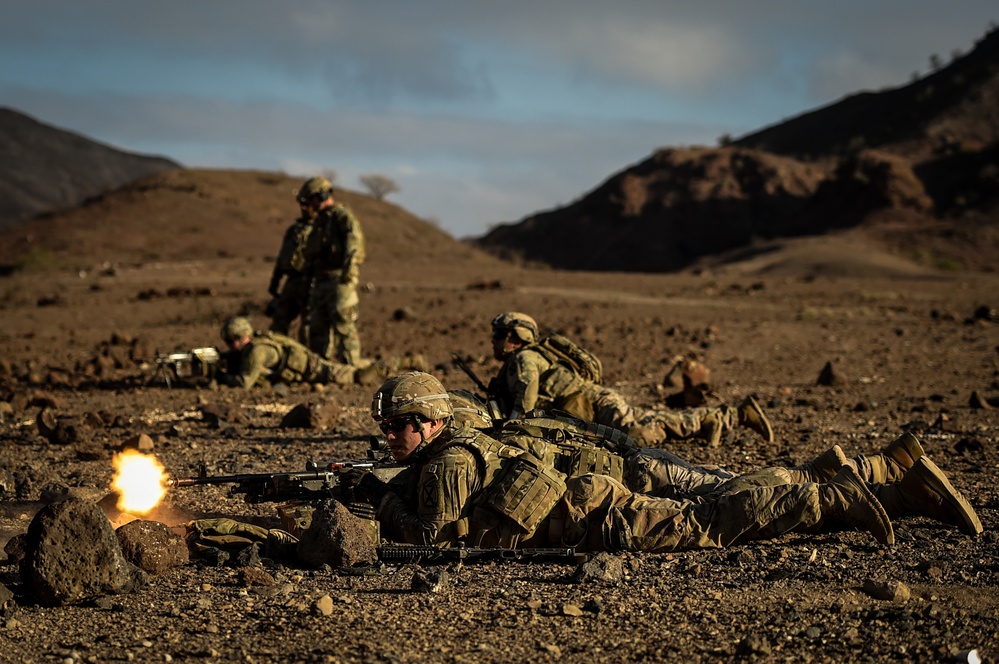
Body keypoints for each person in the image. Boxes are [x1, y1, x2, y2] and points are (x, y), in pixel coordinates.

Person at [349, 373, 981, 556]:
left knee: (715, 518)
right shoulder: (466, 436)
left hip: (602, 507)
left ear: (428, 422)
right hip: (591, 496)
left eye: (395, 426)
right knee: (720, 502)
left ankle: (854, 491)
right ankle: (881, 480)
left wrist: (379, 505)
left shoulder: (449, 462)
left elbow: (431, 538)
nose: (388, 436)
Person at [449, 390, 983, 538]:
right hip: (637, 467)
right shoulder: (518, 429)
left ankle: (874, 474)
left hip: (638, 473)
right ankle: (877, 471)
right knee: (737, 490)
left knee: (734, 496)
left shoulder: (505, 439)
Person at [486, 312, 773, 447]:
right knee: (651, 421)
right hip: (592, 408)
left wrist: (509, 432)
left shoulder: (523, 360)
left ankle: (731, 416)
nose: (494, 342)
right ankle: (720, 418)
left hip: (596, 405)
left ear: (516, 338)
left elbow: (524, 403)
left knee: (641, 434)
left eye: (500, 335)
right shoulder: (525, 360)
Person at [298, 176, 365, 365]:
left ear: (322, 196)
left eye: (311, 199)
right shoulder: (320, 222)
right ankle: (321, 367)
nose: (309, 205)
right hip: (321, 282)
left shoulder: (342, 216)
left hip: (340, 280)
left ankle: (351, 367)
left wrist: (349, 273)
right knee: (317, 326)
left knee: (343, 324)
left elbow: (355, 244)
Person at [217, 316, 389, 389]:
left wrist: (220, 376)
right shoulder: (254, 345)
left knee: (357, 377)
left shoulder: (257, 351)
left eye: (231, 341)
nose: (229, 345)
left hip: (312, 369)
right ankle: (375, 363)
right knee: (350, 366)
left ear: (240, 337)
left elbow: (244, 382)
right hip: (306, 367)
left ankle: (393, 366)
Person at [265, 182, 318, 341]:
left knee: (308, 326)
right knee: (279, 322)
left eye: (307, 204)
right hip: (291, 282)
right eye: (301, 204)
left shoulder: (321, 229)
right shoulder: (293, 230)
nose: (304, 208)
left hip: (311, 282)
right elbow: (282, 257)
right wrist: (275, 281)